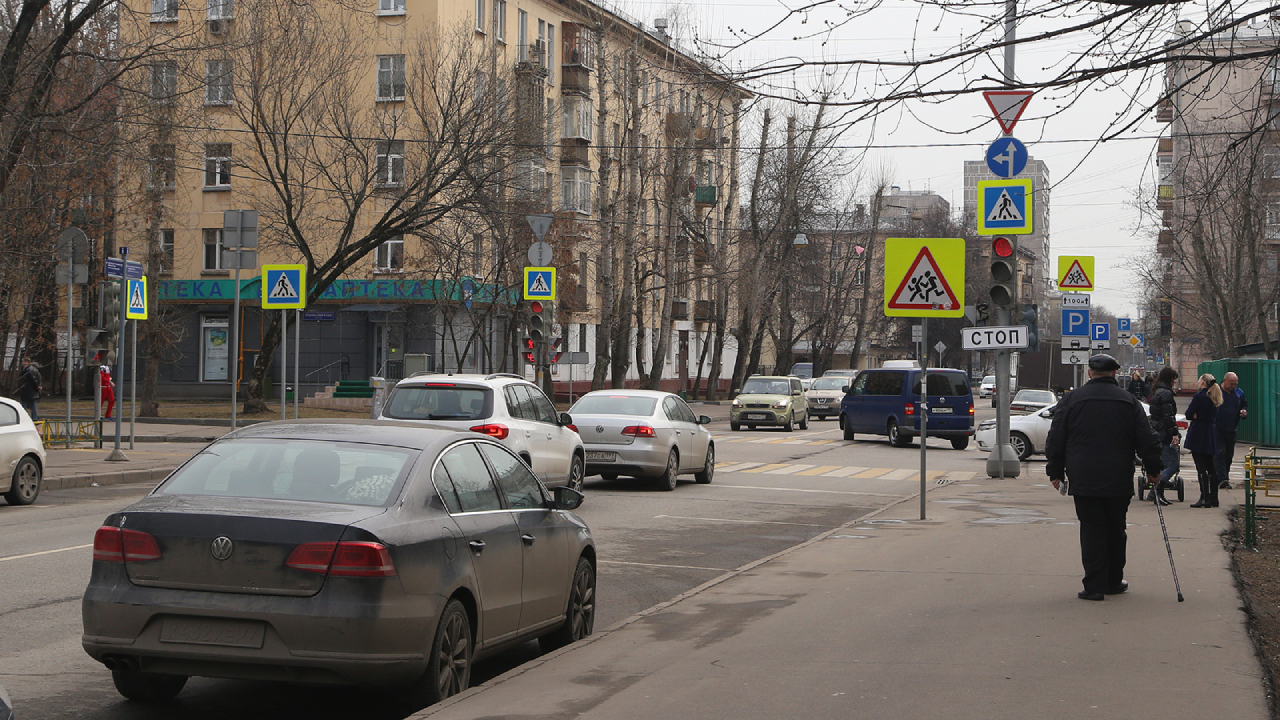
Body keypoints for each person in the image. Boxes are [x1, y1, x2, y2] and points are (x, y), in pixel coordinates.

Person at [1046, 354, 1163, 602]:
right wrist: (1153, 469)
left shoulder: (1071, 400)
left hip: (1084, 476)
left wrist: (1055, 472)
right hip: (1118, 475)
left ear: (1090, 373)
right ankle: (1113, 580)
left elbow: (1056, 437)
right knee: (1116, 528)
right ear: (1113, 374)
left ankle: (1094, 586)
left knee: (1091, 529)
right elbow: (1147, 439)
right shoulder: (1128, 401)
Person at [1185, 373, 1222, 508]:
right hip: (1211, 432)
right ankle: (1214, 498)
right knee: (1211, 467)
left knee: (1201, 467)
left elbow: (1189, 414)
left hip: (1199, 432)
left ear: (1203, 382)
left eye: (1199, 379)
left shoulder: (1200, 397)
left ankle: (1204, 497)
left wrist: (1194, 415)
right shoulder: (1215, 396)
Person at [1147, 367, 1181, 506]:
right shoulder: (1166, 394)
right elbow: (1168, 416)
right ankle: (1156, 490)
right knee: (1173, 465)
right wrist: (1174, 433)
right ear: (1169, 379)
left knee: (1163, 464)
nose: (1174, 382)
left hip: (1157, 430)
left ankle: (1157, 494)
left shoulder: (1156, 392)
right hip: (1165, 432)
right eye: (1174, 379)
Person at [1215, 371, 1248, 490]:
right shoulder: (1216, 392)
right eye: (1231, 384)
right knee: (1220, 452)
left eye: (1235, 384)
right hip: (1217, 428)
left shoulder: (1238, 393)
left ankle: (1225, 477)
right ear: (1225, 381)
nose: (1233, 386)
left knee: (1229, 455)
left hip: (1231, 428)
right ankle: (1221, 478)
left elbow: (1244, 404)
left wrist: (1244, 411)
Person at [16, 356, 41, 420]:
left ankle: (25, 417)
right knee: (33, 403)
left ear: (26, 362)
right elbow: (39, 378)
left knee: (24, 403)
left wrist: (36, 387)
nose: (22, 363)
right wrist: (38, 386)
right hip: (33, 390)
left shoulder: (27, 370)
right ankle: (35, 417)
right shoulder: (34, 369)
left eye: (23, 361)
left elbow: (32, 380)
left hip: (27, 390)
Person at [97, 353, 116, 421]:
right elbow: (102, 377)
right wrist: (109, 381)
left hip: (107, 386)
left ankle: (108, 415)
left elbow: (106, 377)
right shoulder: (102, 367)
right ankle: (98, 415)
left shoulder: (108, 367)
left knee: (112, 400)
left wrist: (109, 381)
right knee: (101, 401)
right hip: (104, 387)